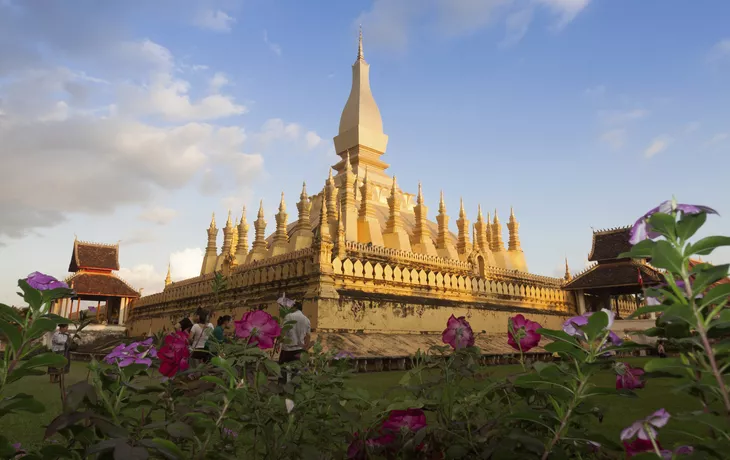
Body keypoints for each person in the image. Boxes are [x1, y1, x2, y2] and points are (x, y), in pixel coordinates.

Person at [279, 301, 311, 383]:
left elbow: (283, 331)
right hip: (300, 350)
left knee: (283, 371)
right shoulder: (306, 319)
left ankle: (282, 390)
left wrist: (279, 343)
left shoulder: (289, 316)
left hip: (287, 349)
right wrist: (306, 349)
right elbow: (308, 337)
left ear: (295, 307)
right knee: (297, 373)